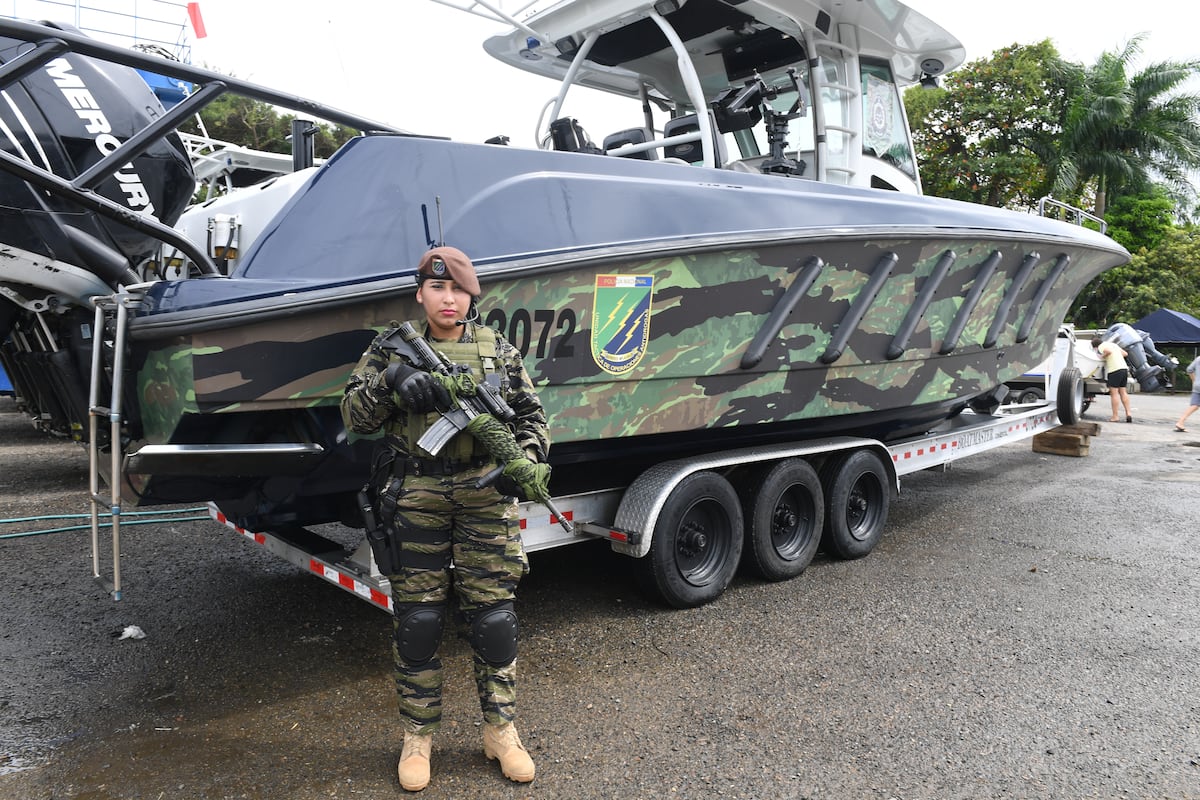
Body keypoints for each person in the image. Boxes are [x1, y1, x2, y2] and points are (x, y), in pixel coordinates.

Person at [341, 246, 550, 791]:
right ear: (420, 293)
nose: (448, 298)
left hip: (485, 495)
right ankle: (418, 736)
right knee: (419, 621)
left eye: (458, 289)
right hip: (416, 492)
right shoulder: (391, 349)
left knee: (494, 620)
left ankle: (500, 731)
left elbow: (531, 417)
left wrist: (524, 461)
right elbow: (353, 417)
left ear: (471, 295)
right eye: (437, 288)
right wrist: (391, 383)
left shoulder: (497, 351)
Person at [1102, 323, 1178, 391]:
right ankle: (1167, 364)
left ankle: (1166, 364)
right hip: (1137, 342)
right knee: (1153, 354)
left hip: (1122, 365)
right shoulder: (1132, 335)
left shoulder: (1110, 341)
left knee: (1152, 356)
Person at [1092, 335, 1133, 422]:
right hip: (1124, 369)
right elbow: (1125, 354)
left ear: (1095, 346)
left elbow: (1108, 351)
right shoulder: (1113, 345)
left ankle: (1115, 416)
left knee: (1114, 394)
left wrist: (1102, 356)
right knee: (1123, 392)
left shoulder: (1101, 347)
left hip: (1114, 370)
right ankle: (1128, 413)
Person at [1174, 355, 1200, 432]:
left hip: (1197, 385)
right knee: (1195, 405)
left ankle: (1180, 422)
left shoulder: (1198, 358)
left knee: (1194, 405)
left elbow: (1189, 369)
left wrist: (1194, 380)